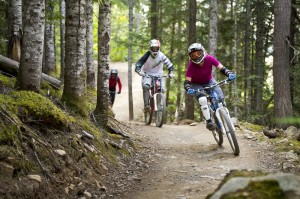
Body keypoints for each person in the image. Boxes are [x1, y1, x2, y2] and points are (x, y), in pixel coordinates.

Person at [184, 43, 236, 131]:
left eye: (198, 53)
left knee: (220, 97)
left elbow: (222, 68)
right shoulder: (191, 65)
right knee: (202, 99)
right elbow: (187, 81)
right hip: (196, 84)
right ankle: (209, 121)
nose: (196, 57)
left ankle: (225, 116)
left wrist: (229, 73)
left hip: (209, 81)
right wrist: (189, 88)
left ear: (203, 51)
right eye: (193, 55)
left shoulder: (209, 58)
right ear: (190, 57)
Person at [135, 39, 175, 112]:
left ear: (159, 48)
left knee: (162, 89)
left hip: (159, 75)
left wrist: (171, 72)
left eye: (156, 48)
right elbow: (139, 63)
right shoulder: (147, 55)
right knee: (146, 87)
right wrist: (139, 70)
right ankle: (146, 106)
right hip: (147, 74)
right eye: (153, 48)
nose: (155, 50)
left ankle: (160, 102)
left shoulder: (161, 55)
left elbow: (169, 65)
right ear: (150, 48)